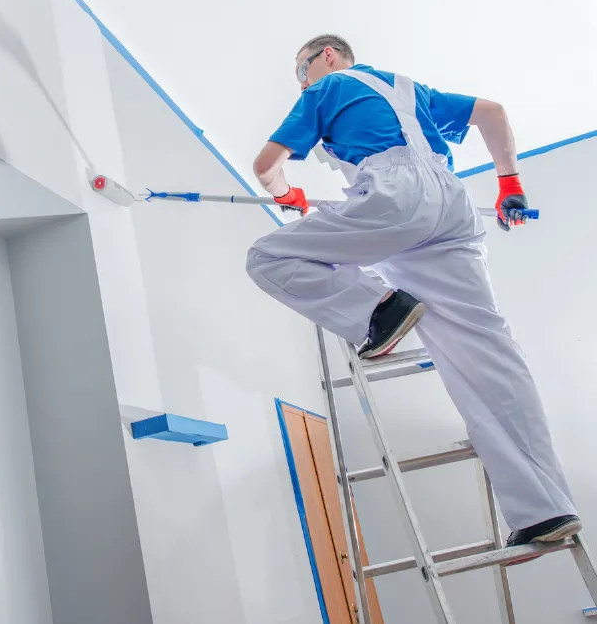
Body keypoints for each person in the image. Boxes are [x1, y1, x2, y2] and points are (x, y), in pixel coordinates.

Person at [245, 34, 580, 547]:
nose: (303, 79)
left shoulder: (328, 86)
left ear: (327, 56)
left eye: (302, 69)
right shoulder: (409, 89)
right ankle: (545, 509)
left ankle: (380, 309)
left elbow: (266, 164)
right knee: (486, 354)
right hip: (451, 206)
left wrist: (287, 194)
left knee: (269, 256)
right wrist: (509, 182)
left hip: (395, 199)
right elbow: (492, 112)